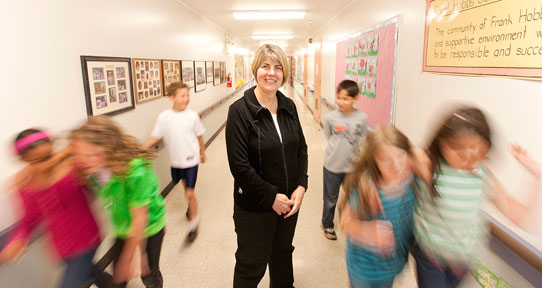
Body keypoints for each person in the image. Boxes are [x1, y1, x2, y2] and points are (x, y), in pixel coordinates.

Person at [411, 106, 540, 288]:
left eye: (478, 154)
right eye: (460, 153)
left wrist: (536, 177)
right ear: (442, 142)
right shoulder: (431, 165)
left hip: (462, 263)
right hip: (432, 259)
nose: (469, 161)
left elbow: (515, 214)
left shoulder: (482, 174)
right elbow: (408, 153)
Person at [225, 43, 308, 288]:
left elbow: (301, 148)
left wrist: (302, 185)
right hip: (255, 208)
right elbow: (239, 166)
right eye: (265, 66)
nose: (271, 73)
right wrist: (271, 196)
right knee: (251, 265)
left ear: (284, 73)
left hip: (289, 205)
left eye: (278, 67)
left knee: (283, 254)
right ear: (256, 70)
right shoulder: (240, 111)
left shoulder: (288, 106)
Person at [0, 129, 110, 288]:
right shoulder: (26, 186)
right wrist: (18, 240)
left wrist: (89, 167)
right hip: (61, 248)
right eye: (37, 161)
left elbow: (99, 187)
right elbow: (30, 219)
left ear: (53, 148)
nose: (45, 164)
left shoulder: (73, 167)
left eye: (48, 157)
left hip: (87, 239)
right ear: (24, 159)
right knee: (91, 272)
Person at [70, 116, 166, 288]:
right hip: (123, 226)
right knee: (118, 277)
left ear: (109, 148)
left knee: (149, 274)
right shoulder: (92, 167)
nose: (84, 161)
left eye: (91, 155)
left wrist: (136, 255)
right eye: (80, 156)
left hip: (150, 225)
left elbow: (140, 220)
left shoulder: (136, 171)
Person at [339, 126, 417, 288]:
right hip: (363, 269)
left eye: (400, 155)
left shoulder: (411, 182)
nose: (395, 165)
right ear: (374, 159)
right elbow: (345, 222)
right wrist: (367, 231)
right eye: (385, 159)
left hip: (391, 267)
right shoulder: (365, 188)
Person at [144, 81, 205, 242]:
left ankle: (194, 222)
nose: (186, 99)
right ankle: (190, 207)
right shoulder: (164, 117)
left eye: (188, 95)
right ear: (171, 98)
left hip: (192, 160)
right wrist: (139, 149)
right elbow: (155, 137)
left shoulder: (192, 115)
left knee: (189, 192)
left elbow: (199, 135)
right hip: (176, 162)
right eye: (182, 96)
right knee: (185, 188)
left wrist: (202, 152)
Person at [321, 79, 368, 240]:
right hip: (332, 165)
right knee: (330, 199)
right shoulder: (330, 117)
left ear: (355, 99)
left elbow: (362, 138)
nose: (341, 101)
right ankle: (327, 224)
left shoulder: (362, 118)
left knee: (353, 197)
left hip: (353, 167)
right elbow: (328, 134)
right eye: (339, 97)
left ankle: (350, 223)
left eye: (346, 98)